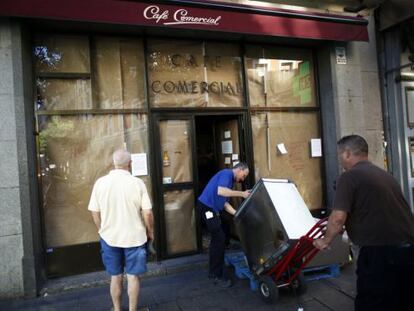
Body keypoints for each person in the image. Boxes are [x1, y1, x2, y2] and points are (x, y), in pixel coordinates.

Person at [313, 135, 414, 311]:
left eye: (340, 155)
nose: (340, 160)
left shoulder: (349, 177)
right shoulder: (383, 175)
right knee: (401, 300)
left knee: (371, 301)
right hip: (407, 248)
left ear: (347, 153)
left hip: (379, 252)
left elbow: (337, 218)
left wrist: (325, 241)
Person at [88, 149, 154, 311]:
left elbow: (94, 212)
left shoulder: (100, 183)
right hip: (135, 238)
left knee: (115, 277)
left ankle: (117, 309)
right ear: (130, 164)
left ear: (114, 163)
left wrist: (101, 229)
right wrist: (150, 231)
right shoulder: (137, 183)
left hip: (109, 237)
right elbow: (147, 213)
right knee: (133, 277)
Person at [197, 162, 251, 288]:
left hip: (212, 209)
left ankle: (217, 266)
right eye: (244, 175)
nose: (243, 179)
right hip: (206, 208)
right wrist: (242, 194)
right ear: (239, 169)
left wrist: (238, 214)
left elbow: (225, 204)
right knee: (219, 238)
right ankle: (215, 275)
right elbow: (221, 191)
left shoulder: (230, 181)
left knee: (222, 232)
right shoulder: (227, 174)